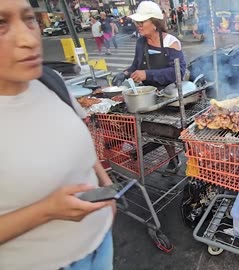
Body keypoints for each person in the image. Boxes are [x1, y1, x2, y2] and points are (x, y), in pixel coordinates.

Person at [0, 0, 115, 269]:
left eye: (29, 19)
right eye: (0, 24)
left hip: (102, 243)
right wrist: (46, 211)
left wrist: (106, 187)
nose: (29, 39)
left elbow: (81, 142)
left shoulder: (50, 80)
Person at [111, 1, 186, 173]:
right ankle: (173, 158)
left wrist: (147, 74)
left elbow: (178, 73)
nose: (138, 26)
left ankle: (186, 162)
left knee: (168, 131)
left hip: (170, 96)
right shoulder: (140, 43)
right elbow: (135, 65)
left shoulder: (170, 42)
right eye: (137, 22)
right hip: (147, 95)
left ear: (154, 22)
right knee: (153, 131)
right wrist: (125, 73)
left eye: (141, 22)